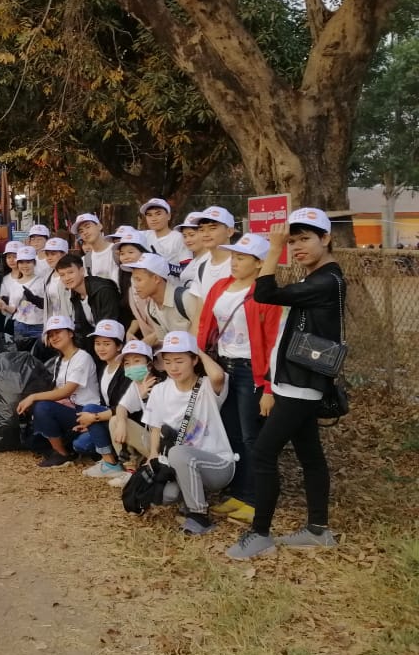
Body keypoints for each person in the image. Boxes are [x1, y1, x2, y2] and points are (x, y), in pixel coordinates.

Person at [228, 210, 346, 560]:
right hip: (296, 381)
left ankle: (260, 534)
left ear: (326, 239)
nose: (296, 247)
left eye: (304, 239)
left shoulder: (327, 280)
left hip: (301, 385)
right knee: (311, 456)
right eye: (292, 241)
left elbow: (264, 292)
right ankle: (318, 530)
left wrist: (274, 248)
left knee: (264, 453)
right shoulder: (320, 277)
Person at [196, 233, 281, 525]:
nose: (234, 262)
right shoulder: (221, 286)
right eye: (233, 256)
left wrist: (268, 387)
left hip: (250, 371)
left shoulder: (266, 294)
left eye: (241, 258)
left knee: (251, 435)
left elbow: (272, 342)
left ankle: (256, 499)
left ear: (259, 264)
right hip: (223, 367)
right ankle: (239, 492)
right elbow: (205, 324)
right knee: (230, 432)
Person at [143, 331, 234, 536]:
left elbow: (218, 375)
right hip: (178, 464)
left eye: (179, 361)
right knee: (165, 495)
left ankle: (199, 516)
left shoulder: (207, 386)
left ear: (194, 360)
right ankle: (189, 497)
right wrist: (152, 455)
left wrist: (197, 349)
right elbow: (155, 426)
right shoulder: (160, 390)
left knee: (178, 452)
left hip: (218, 464)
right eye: (167, 361)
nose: (173, 368)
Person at [15, 315, 101, 468]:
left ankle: (62, 454)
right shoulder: (59, 359)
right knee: (34, 439)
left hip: (86, 411)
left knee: (42, 407)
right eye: (51, 335)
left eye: (58, 332)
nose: (54, 337)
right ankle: (66, 444)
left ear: (71, 333)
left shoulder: (82, 357)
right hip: (71, 408)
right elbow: (57, 388)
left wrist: (33, 397)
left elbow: (66, 391)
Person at [76, 319, 131, 479]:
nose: (101, 348)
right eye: (97, 343)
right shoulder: (103, 368)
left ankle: (110, 464)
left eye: (106, 344)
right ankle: (110, 457)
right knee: (80, 444)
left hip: (124, 420)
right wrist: (90, 422)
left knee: (89, 410)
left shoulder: (126, 370)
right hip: (109, 418)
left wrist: (94, 418)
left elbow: (124, 406)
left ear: (119, 346)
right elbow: (104, 403)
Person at [107, 338, 159, 484]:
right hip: (151, 440)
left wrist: (145, 398)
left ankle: (149, 467)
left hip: (164, 444)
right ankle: (130, 470)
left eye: (137, 361)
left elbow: (160, 423)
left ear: (149, 365)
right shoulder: (136, 384)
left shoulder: (159, 384)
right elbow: (122, 407)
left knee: (116, 420)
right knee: (116, 421)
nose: (131, 366)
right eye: (127, 363)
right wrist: (122, 424)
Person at [125, 252, 202, 348]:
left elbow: (204, 333)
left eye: (139, 280)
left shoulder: (186, 298)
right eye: (134, 280)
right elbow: (164, 341)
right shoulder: (150, 309)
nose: (135, 286)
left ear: (156, 279)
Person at [56, 253, 120, 343]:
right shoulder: (75, 294)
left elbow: (109, 326)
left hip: (114, 340)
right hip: (96, 341)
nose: (67, 278)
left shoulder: (103, 290)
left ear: (82, 271)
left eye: (70, 272)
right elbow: (81, 328)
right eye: (62, 275)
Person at [0, 245, 43, 342]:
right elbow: (13, 309)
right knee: (21, 352)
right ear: (18, 264)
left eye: (28, 262)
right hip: (20, 326)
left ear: (34, 263)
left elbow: (48, 306)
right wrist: (4, 306)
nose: (25, 266)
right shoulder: (14, 284)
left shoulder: (43, 282)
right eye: (21, 262)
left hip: (39, 327)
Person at [192, 206, 236, 299]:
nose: (205, 234)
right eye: (201, 230)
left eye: (212, 228)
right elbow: (200, 305)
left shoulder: (241, 265)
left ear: (229, 231)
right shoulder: (201, 267)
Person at [140, 198, 190, 267]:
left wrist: (164, 267)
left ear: (168, 216)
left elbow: (186, 267)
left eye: (158, 214)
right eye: (149, 215)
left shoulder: (179, 238)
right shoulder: (142, 236)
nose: (153, 219)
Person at [71, 213, 120, 283]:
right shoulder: (85, 260)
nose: (85, 232)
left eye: (88, 227)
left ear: (99, 226)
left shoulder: (118, 251)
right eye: (81, 231)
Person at [40, 237, 72, 319]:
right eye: (47, 254)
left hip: (70, 323)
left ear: (64, 254)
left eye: (53, 254)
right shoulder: (48, 276)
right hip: (54, 323)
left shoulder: (73, 275)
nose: (49, 258)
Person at [177, 211, 208, 287]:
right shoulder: (194, 261)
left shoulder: (212, 260)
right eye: (185, 236)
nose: (187, 240)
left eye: (191, 235)